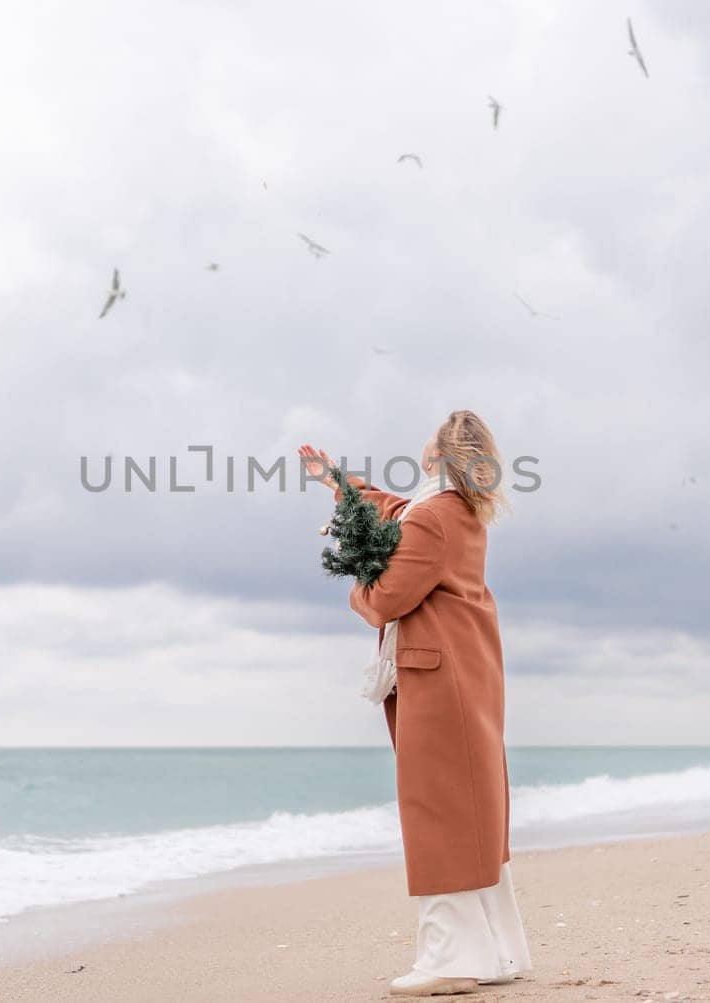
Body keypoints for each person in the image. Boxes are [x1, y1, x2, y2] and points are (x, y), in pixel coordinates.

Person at [298, 409, 531, 997]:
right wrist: (337, 482)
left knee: (438, 812)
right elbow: (396, 510)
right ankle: (497, 951)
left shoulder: (434, 516)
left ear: (436, 458)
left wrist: (357, 588)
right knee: (470, 811)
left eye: (426, 445)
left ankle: (450, 960)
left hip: (438, 679)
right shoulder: (458, 509)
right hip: (466, 673)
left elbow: (388, 598)